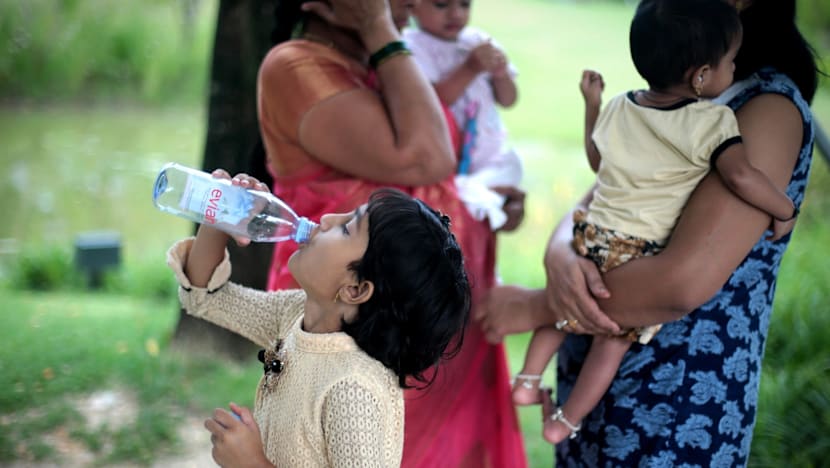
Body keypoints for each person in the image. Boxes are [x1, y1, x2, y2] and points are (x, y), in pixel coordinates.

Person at [477, 0, 821, 464]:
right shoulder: (679, 90)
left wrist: (538, 305)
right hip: (602, 375)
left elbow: (680, 282)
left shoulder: (765, 109)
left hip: (677, 405)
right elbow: (607, 193)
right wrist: (561, 253)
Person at [255, 0, 527, 465]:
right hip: (360, 324)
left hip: (431, 320)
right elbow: (426, 158)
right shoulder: (296, 66)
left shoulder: (384, 61)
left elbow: (437, 175)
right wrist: (380, 26)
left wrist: (484, 201)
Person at [167, 171, 471, 467]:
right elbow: (205, 296)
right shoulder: (296, 313)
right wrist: (220, 213)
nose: (326, 220)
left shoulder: (353, 391)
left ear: (355, 289)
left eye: (346, 228)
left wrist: (253, 463)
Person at [404, 0, 523, 231]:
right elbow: (433, 101)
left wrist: (500, 75)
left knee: (493, 199)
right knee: (456, 219)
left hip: (487, 154)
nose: (456, 13)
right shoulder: (413, 47)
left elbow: (508, 100)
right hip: (447, 157)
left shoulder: (477, 40)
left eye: (465, 4)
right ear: (413, 6)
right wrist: (470, 68)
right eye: (441, 5)